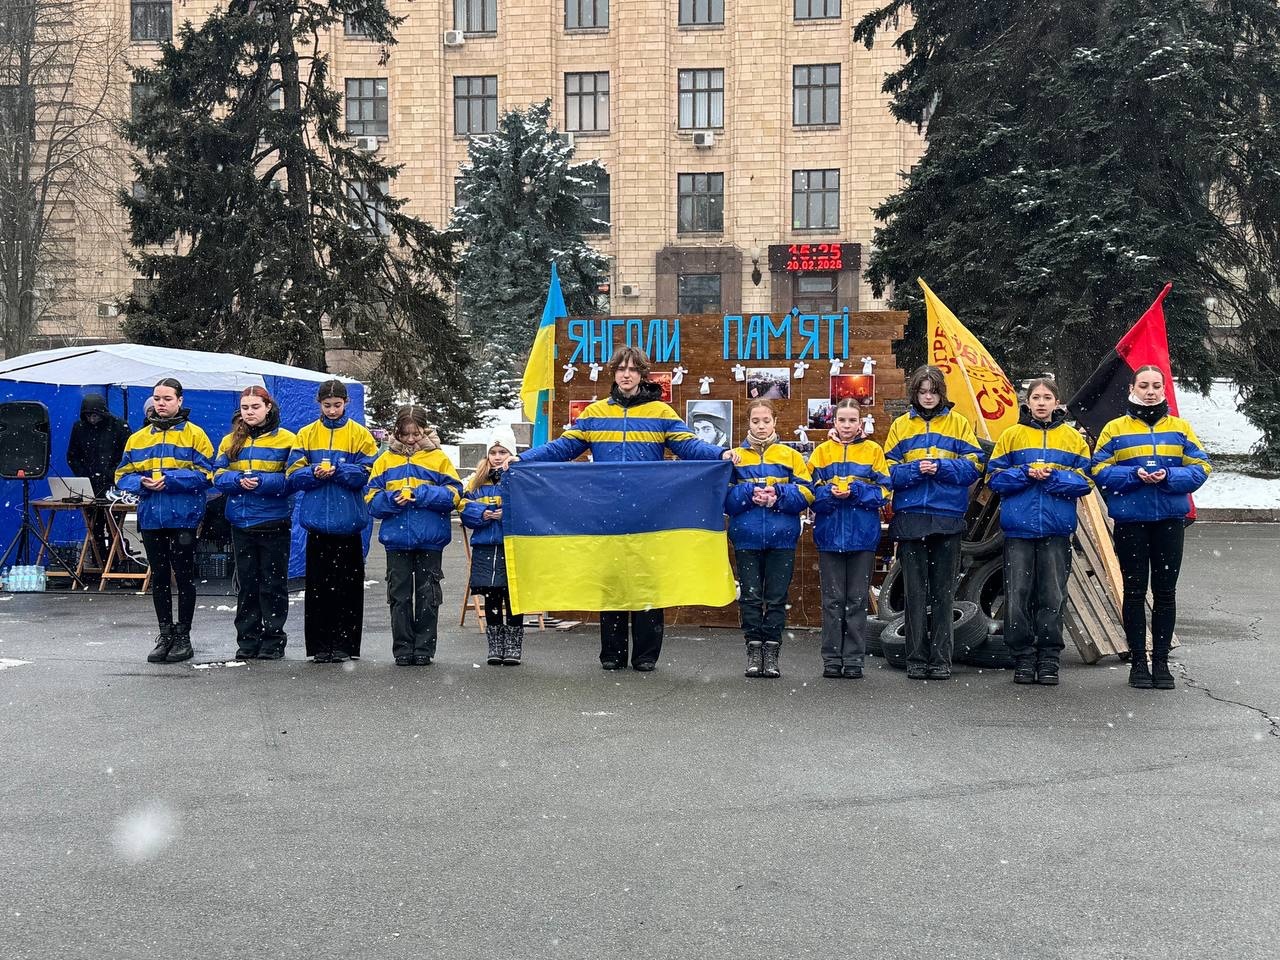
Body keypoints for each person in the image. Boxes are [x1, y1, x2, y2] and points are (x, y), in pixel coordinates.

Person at [519, 345, 736, 672]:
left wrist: (719, 455)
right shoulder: (594, 414)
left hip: (650, 513)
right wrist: (522, 460)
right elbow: (561, 448)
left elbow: (688, 445)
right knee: (612, 584)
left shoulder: (661, 413)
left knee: (649, 583)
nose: (626, 374)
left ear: (642, 375)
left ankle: (646, 655)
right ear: (614, 373)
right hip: (607, 514)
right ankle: (612, 654)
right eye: (621, 369)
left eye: (633, 369)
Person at [1091, 365, 1211, 690]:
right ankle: (1138, 663)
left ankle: (1161, 662)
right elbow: (1098, 468)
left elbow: (1201, 466)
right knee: (1133, 592)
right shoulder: (1114, 429)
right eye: (1144, 385)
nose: (1150, 391)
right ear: (1132, 388)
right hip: (1131, 522)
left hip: (1169, 523)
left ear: (1163, 389)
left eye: (1156, 385)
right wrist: (1132, 476)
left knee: (1165, 593)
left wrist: (1171, 477)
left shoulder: (1181, 428)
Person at [985, 379, 1092, 686]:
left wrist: (1052, 478)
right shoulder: (1012, 436)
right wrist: (1025, 473)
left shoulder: (1072, 438)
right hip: (1019, 529)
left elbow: (1085, 480)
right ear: (1027, 402)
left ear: (1057, 403)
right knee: (1018, 594)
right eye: (1036, 397)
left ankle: (1048, 658)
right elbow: (994, 478)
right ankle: (1022, 656)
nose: (1042, 403)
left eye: (1047, 397)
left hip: (1056, 529)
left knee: (1052, 594)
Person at [883, 365, 984, 680]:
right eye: (922, 391)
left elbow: (974, 466)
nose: (928, 397)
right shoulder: (900, 426)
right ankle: (915, 658)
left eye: (933, 391)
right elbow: (886, 470)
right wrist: (915, 471)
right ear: (915, 393)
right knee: (914, 594)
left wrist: (940, 468)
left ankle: (940, 660)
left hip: (947, 517)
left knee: (943, 594)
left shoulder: (959, 424)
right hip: (911, 517)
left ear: (942, 393)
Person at [114, 378, 214, 664]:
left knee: (183, 577)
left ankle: (184, 635)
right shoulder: (138, 438)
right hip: (152, 518)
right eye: (157, 398)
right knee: (158, 576)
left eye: (167, 398)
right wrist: (141, 483)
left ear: (179, 401)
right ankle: (165, 634)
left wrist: (170, 481)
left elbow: (207, 474)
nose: (161, 403)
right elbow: (122, 476)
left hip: (183, 517)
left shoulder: (195, 435)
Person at [286, 379, 378, 664]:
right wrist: (314, 472)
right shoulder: (305, 434)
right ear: (319, 405)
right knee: (318, 589)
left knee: (348, 589)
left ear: (346, 404)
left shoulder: (360, 435)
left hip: (348, 522)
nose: (333, 410)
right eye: (327, 406)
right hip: (317, 524)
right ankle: (320, 645)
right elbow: (293, 473)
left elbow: (367, 474)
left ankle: (345, 644)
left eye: (337, 405)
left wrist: (338, 471)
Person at [366, 406, 462, 666]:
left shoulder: (439, 459)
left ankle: (424, 648)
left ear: (425, 431)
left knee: (428, 595)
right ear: (396, 432)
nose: (410, 440)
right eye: (405, 434)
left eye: (416, 434)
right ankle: (402, 648)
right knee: (399, 596)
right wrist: (392, 500)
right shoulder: (384, 460)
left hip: (430, 538)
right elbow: (371, 499)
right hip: (396, 539)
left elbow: (454, 494)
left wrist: (421, 494)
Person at [725, 400, 813, 678]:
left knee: (776, 598)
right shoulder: (735, 457)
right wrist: (748, 494)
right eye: (755, 421)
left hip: (782, 538)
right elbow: (724, 499)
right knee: (750, 597)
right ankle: (753, 648)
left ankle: (772, 651)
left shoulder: (791, 456)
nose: (761, 426)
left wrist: (778, 497)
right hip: (746, 537)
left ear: (775, 422)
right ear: (747, 423)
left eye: (766, 420)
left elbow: (808, 493)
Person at [807, 398, 890, 679]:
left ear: (860, 422)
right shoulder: (821, 453)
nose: (846, 425)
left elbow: (884, 492)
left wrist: (855, 493)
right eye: (842, 420)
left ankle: (854, 659)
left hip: (862, 537)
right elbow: (809, 494)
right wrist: (829, 495)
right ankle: (831, 659)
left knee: (856, 601)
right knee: (832, 601)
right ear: (834, 421)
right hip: (829, 537)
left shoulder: (873, 451)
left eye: (852, 420)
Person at [212, 387, 297, 660]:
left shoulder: (287, 440)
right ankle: (247, 640)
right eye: (245, 407)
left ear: (268, 407)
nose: (250, 412)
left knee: (272, 584)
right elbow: (217, 475)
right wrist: (237, 481)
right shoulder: (229, 440)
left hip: (273, 521)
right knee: (247, 585)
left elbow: (292, 479)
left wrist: (262, 482)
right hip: (241, 522)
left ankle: (273, 639)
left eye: (255, 407)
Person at [460, 427, 523, 665]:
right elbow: (464, 507)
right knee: (492, 595)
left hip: (512, 545)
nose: (497, 457)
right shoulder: (477, 481)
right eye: (493, 452)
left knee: (514, 596)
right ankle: (495, 645)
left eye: (503, 452)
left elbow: (527, 508)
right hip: (486, 546)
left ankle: (514, 645)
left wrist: (506, 515)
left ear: (512, 454)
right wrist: (484, 514)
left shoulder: (518, 479)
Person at [66, 394, 131, 556]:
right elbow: (73, 456)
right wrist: (84, 475)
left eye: (95, 415)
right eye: (88, 415)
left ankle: (117, 559)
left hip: (113, 485)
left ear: (103, 413)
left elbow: (127, 456)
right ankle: (99, 560)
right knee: (94, 527)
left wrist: (112, 474)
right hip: (90, 485)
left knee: (114, 526)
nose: (92, 419)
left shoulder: (119, 427)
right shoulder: (80, 428)